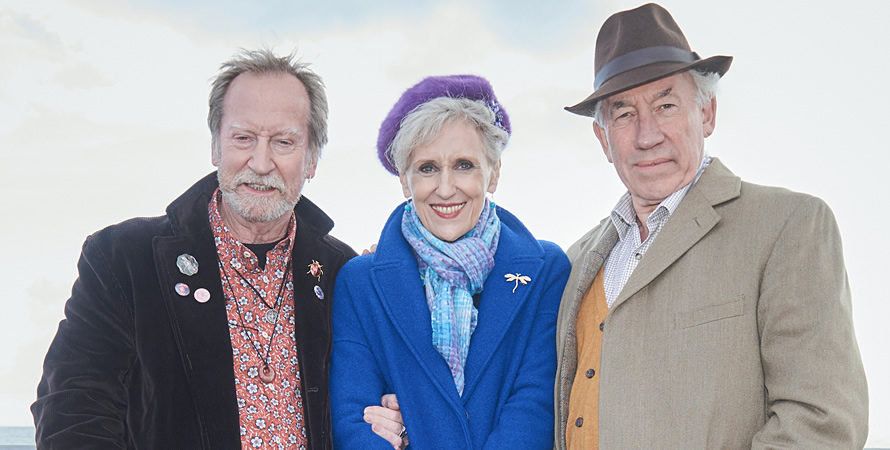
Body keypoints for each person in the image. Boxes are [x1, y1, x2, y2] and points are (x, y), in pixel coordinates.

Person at [554, 4, 868, 448]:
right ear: (603, 139)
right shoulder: (572, 262)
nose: (647, 135)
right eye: (624, 114)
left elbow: (821, 422)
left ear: (706, 114)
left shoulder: (788, 226)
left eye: (666, 105)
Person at [31, 48, 355, 449]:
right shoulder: (123, 260)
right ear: (216, 147)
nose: (260, 161)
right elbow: (72, 408)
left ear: (312, 159)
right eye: (243, 138)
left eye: (284, 142)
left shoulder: (345, 272)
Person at [330, 75, 570, 449]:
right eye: (427, 168)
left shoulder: (546, 271)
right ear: (405, 182)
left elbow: (533, 408)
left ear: (493, 174)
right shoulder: (360, 283)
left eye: (463, 165)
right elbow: (355, 421)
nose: (445, 188)